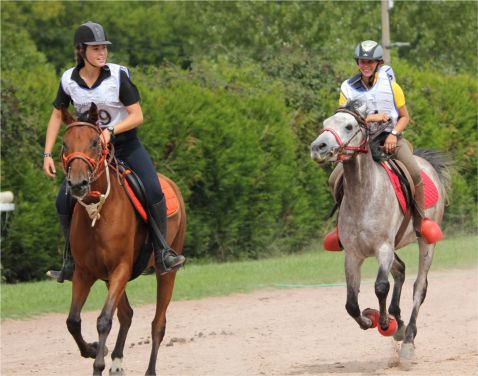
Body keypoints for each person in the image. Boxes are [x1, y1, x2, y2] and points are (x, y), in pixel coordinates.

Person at [43, 21, 185, 282]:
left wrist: (111, 131)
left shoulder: (118, 76)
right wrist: (47, 154)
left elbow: (137, 115)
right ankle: (70, 262)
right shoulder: (68, 80)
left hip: (125, 147)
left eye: (104, 48)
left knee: (153, 189)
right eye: (95, 48)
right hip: (90, 154)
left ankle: (162, 251)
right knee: (62, 200)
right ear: (81, 50)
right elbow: (56, 115)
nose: (102, 53)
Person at [323, 40, 442, 249]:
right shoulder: (347, 88)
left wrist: (394, 134)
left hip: (390, 140)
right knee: (334, 179)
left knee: (414, 172)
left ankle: (421, 221)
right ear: (357, 62)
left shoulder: (392, 86)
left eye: (370, 61)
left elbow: (405, 117)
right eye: (362, 61)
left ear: (378, 63)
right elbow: (343, 118)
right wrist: (372, 117)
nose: (366, 65)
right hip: (361, 143)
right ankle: (341, 227)